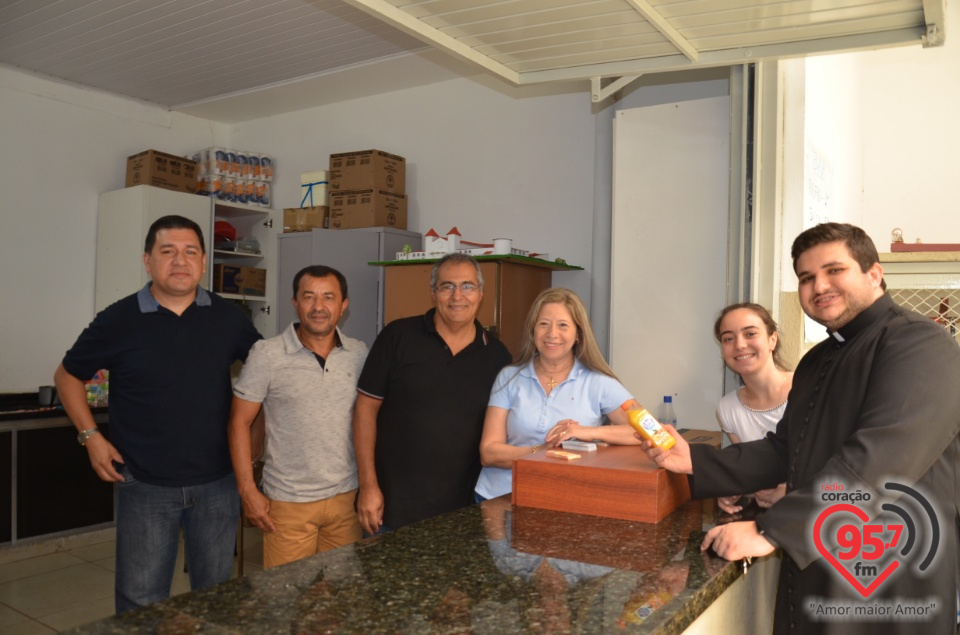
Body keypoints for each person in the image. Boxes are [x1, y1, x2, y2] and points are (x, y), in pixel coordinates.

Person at [642, 223, 960, 634]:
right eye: (806, 277)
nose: (819, 285)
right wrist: (697, 461)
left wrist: (770, 530)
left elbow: (883, 458)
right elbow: (783, 448)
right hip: (820, 558)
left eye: (833, 270)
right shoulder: (817, 360)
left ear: (874, 274)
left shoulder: (919, 344)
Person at [54, 215, 261, 613]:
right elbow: (67, 376)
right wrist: (90, 437)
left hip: (217, 483)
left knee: (216, 597)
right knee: (140, 600)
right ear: (147, 261)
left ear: (203, 261)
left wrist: (254, 442)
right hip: (144, 483)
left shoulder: (229, 319)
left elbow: (265, 375)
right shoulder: (118, 320)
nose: (180, 261)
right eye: (168, 252)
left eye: (190, 252)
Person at [353, 253, 512, 534]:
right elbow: (365, 409)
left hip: (464, 514)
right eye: (447, 286)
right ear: (433, 293)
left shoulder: (497, 356)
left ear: (481, 293)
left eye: (467, 286)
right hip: (391, 509)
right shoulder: (397, 336)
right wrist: (368, 487)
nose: (457, 296)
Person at [228, 265, 368, 568]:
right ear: (295, 302)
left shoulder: (359, 354)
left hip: (346, 498)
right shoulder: (267, 354)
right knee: (287, 601)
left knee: (341, 602)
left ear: (343, 306)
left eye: (329, 297)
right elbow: (239, 422)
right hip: (288, 501)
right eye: (309, 297)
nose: (319, 307)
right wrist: (248, 490)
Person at [474, 287, 640, 501]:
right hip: (499, 496)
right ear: (532, 330)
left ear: (578, 334)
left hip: (565, 496)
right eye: (543, 324)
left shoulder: (599, 383)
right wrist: (541, 450)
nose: (552, 334)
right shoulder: (509, 377)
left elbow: (649, 432)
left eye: (563, 325)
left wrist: (585, 432)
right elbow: (489, 453)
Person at [713, 302, 793, 513]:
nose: (739, 345)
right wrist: (733, 488)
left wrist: (790, 490)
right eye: (728, 338)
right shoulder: (727, 407)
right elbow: (750, 471)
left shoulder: (807, 388)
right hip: (765, 519)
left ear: (772, 340)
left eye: (750, 334)